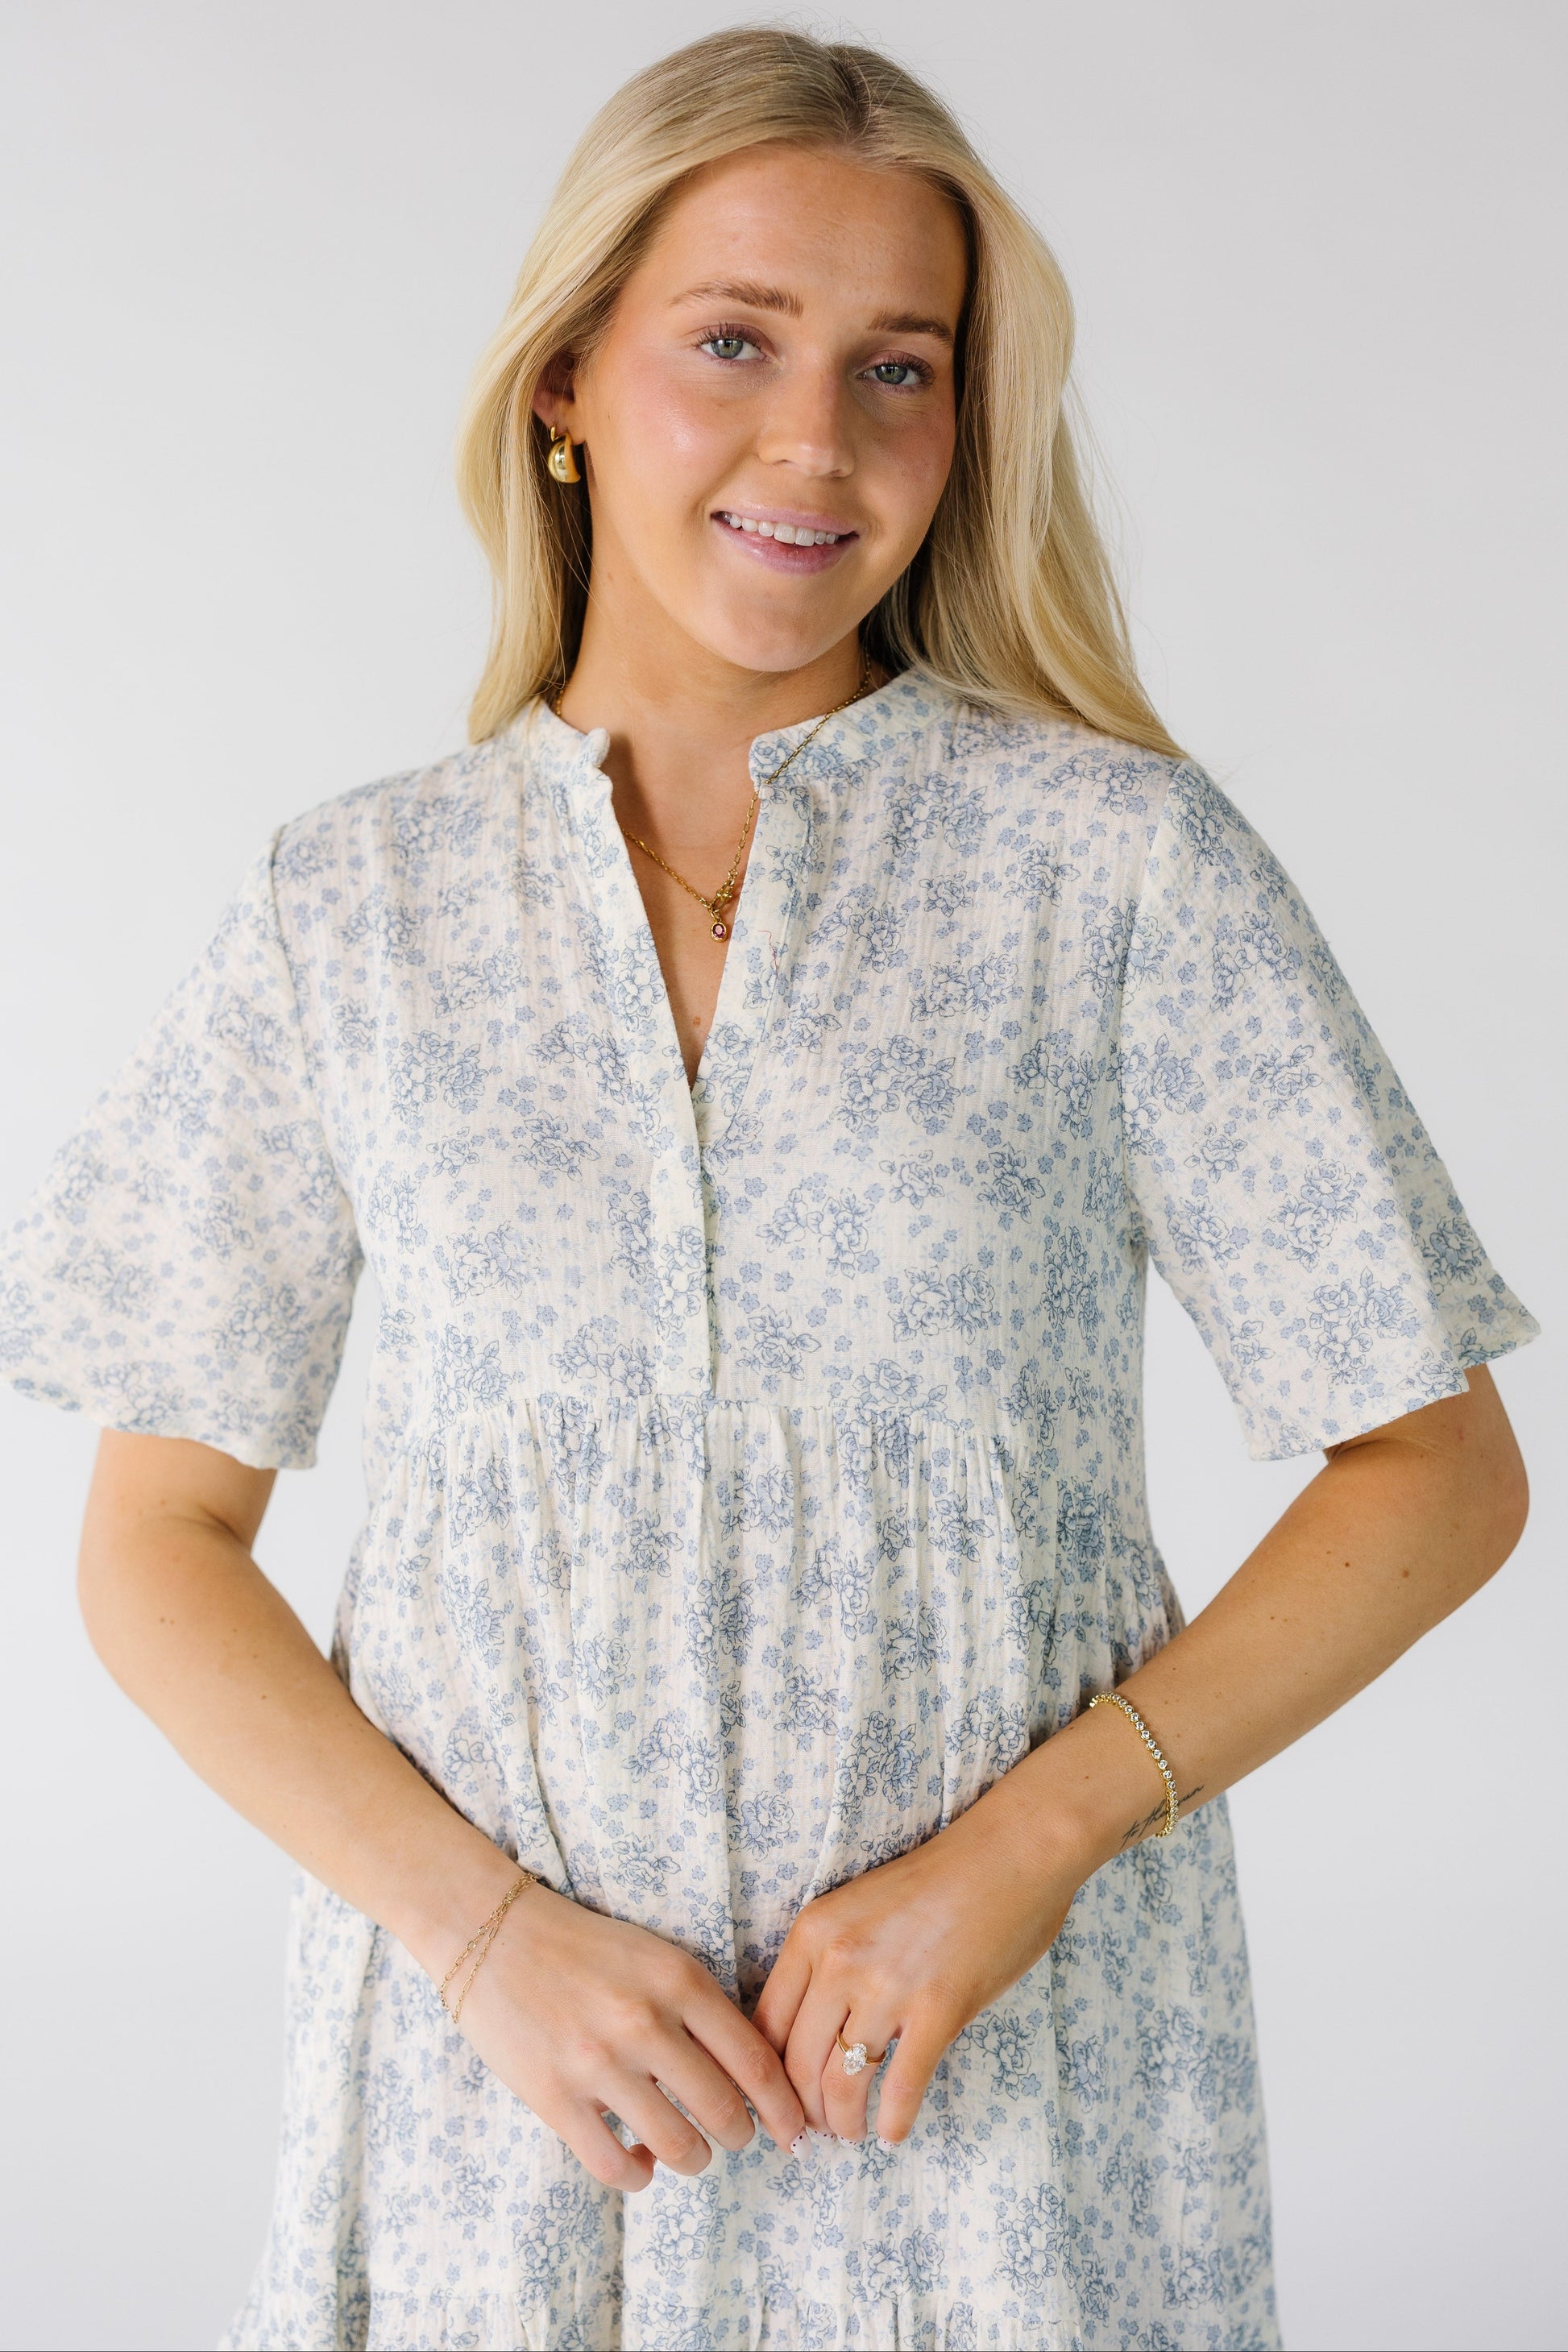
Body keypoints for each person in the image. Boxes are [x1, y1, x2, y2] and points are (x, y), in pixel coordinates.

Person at [0, 27, 1538, 2352]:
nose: (815, 444)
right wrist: (486, 1939)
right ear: (566, 381)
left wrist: (1012, 1861)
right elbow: (152, 1549)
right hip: (495, 2089)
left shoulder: (1109, 868)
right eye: (733, 341)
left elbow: (1433, 1472)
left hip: (987, 2079)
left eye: (897, 371)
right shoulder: (355, 909)